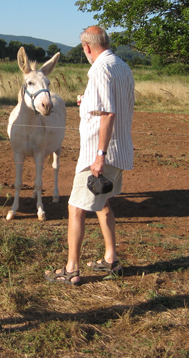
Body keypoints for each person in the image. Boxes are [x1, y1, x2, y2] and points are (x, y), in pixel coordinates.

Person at [45, 26, 135, 286]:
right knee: (102, 203)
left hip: (100, 155)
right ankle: (111, 259)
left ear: (86, 47)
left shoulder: (99, 69)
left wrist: (99, 155)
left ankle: (71, 269)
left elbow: (108, 114)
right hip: (120, 150)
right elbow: (115, 105)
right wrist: (87, 102)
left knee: (75, 207)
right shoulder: (122, 66)